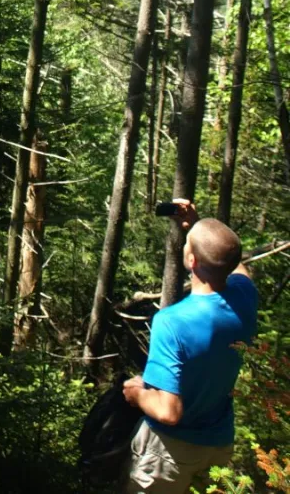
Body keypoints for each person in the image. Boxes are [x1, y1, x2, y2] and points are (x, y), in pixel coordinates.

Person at [121, 199, 258, 494]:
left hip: (170, 452)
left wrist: (136, 394)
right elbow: (236, 268)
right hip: (219, 445)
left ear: (191, 261)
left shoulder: (172, 322)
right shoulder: (244, 298)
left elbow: (169, 411)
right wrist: (196, 227)